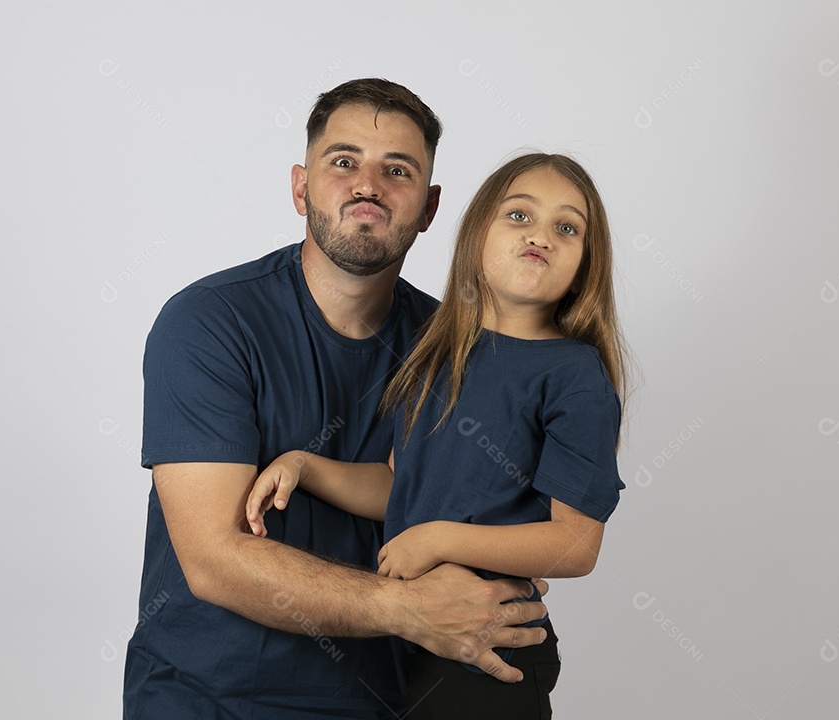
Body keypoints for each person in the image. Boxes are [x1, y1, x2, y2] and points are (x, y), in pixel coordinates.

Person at [124, 79, 550, 719]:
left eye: (397, 170)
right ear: (300, 187)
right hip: (208, 701)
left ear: (430, 208)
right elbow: (214, 560)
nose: (368, 185)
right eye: (343, 161)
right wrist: (413, 610)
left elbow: (480, 523)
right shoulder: (208, 324)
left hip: (382, 702)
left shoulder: (456, 354)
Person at [246, 152, 628, 719]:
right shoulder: (435, 355)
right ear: (477, 234)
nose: (541, 236)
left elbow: (575, 545)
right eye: (519, 216)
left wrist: (437, 540)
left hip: (489, 648)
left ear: (586, 264)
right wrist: (307, 465)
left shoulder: (574, 375)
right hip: (408, 643)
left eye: (567, 227)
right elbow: (401, 484)